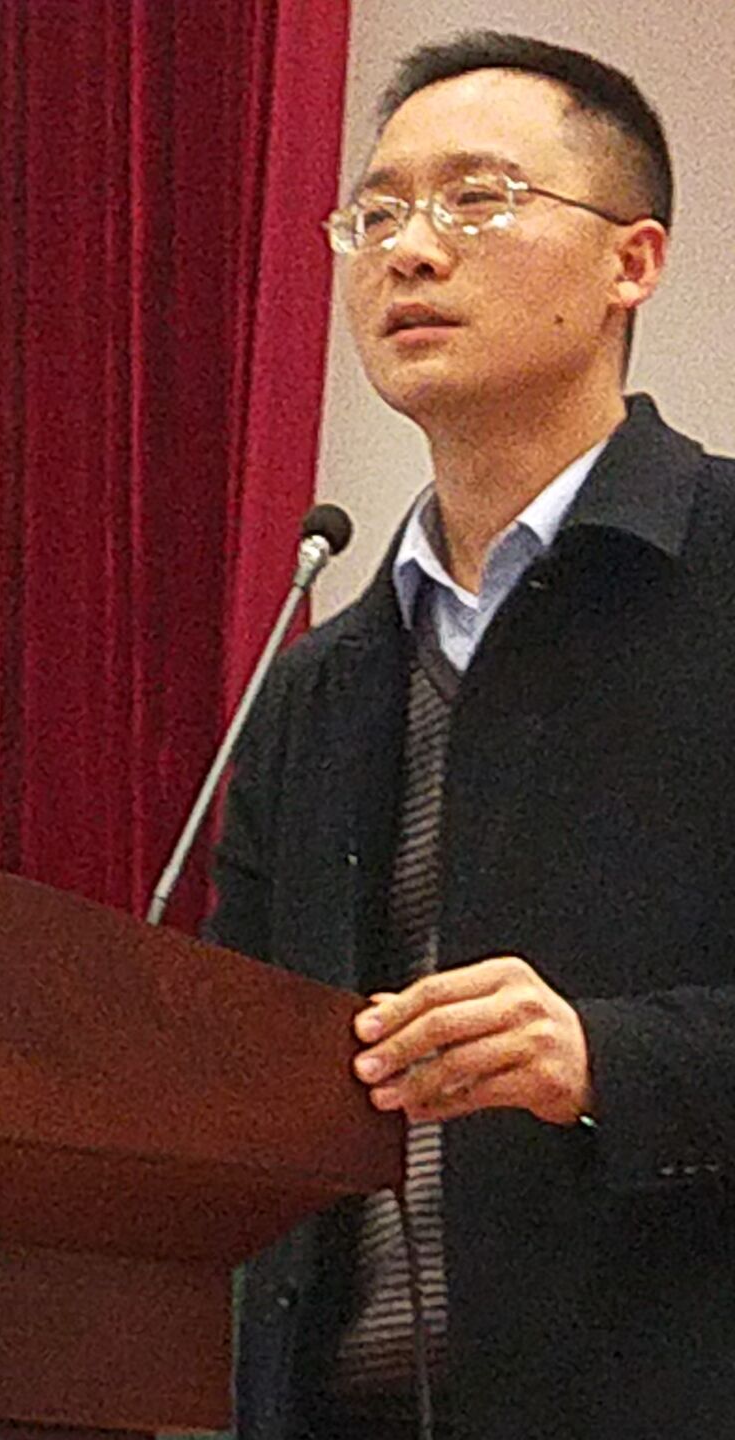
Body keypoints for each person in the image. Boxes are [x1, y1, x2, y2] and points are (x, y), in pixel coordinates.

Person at [207, 31, 735, 1440]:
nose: (412, 251)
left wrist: (608, 1059)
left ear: (633, 261)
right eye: (375, 214)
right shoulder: (319, 683)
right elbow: (235, 1063)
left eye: (478, 199)